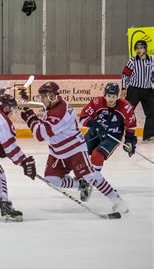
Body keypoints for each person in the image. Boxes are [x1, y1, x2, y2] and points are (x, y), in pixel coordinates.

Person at [20, 81, 128, 213]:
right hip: (57, 152)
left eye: (43, 96)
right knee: (51, 179)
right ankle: (80, 185)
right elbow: (43, 120)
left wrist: (30, 117)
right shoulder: (54, 104)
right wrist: (25, 102)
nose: (41, 99)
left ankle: (117, 200)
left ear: (52, 97)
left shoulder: (59, 112)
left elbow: (39, 134)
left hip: (74, 151)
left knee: (91, 177)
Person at [80, 83, 137, 171]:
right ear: (104, 95)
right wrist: (96, 126)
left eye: (113, 96)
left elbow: (131, 125)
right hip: (95, 132)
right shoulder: (97, 102)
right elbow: (83, 117)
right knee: (80, 152)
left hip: (113, 136)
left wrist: (129, 141)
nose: (111, 99)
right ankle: (82, 175)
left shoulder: (126, 107)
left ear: (118, 96)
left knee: (97, 154)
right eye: (109, 96)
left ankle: (93, 178)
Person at [121, 39, 153, 142]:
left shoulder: (152, 60)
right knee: (126, 111)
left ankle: (148, 135)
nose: (139, 50)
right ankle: (118, 132)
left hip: (148, 90)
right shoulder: (132, 61)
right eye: (137, 48)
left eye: (141, 48)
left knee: (152, 112)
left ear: (145, 49)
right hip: (134, 90)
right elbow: (125, 74)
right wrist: (123, 87)